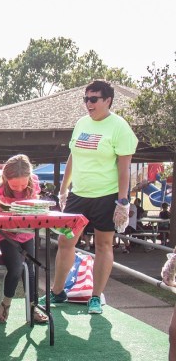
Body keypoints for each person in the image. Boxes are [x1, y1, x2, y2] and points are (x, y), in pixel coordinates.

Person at [42, 79, 138, 315]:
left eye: (93, 99)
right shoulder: (81, 123)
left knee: (103, 245)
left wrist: (122, 202)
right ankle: (57, 292)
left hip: (107, 195)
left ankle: (95, 297)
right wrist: (63, 189)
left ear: (108, 101)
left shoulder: (119, 127)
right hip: (78, 195)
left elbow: (124, 167)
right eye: (86, 99)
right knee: (65, 242)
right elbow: (73, 156)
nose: (89, 104)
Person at [0, 154, 48, 324]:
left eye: (23, 184)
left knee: (31, 270)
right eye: (14, 185)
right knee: (15, 268)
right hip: (6, 235)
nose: (20, 189)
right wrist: (9, 209)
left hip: (27, 234)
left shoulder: (34, 182)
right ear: (6, 179)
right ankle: (6, 304)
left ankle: (33, 308)